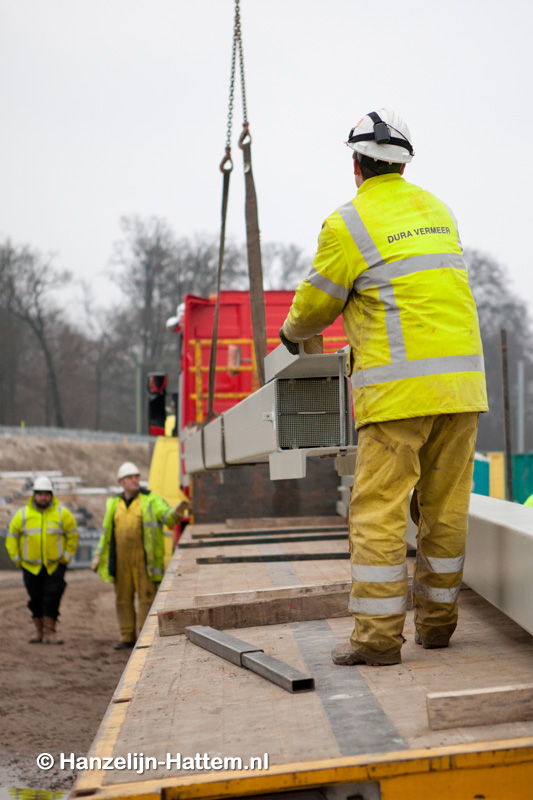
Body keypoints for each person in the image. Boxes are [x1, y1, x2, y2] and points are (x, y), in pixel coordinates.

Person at [280, 109, 488, 666]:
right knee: (445, 510)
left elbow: (316, 305)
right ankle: (437, 627)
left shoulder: (348, 223)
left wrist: (290, 333)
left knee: (379, 514)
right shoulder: (438, 211)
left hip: (398, 398)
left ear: (356, 165)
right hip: (463, 390)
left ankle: (376, 641)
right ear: (404, 166)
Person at [92, 461, 189, 649]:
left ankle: (145, 638)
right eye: (130, 478)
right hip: (121, 561)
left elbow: (167, 517)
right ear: (121, 482)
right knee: (122, 600)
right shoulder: (113, 504)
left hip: (144, 561)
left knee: (146, 599)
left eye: (136, 477)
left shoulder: (151, 500)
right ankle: (126, 636)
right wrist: (98, 556)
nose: (135, 480)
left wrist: (177, 511)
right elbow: (106, 534)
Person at [6, 475, 79, 644]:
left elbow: (73, 535)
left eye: (46, 494)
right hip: (30, 567)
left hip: (54, 566)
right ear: (34, 495)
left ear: (51, 495)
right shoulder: (23, 514)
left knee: (52, 597)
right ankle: (39, 631)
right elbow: (11, 537)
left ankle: (50, 631)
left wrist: (66, 557)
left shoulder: (62, 514)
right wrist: (17, 559)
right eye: (40, 494)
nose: (43, 497)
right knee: (35, 599)